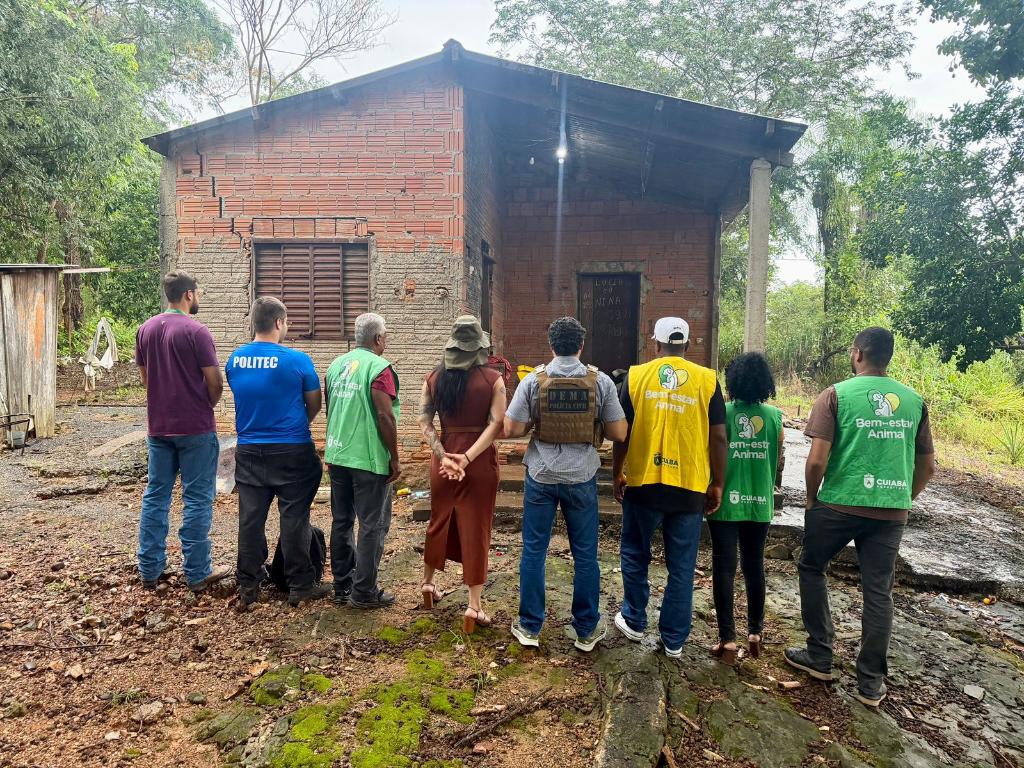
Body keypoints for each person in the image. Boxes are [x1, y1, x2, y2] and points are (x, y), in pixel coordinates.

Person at [785, 327, 935, 707]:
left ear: (857, 354)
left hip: (836, 505)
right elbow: (928, 467)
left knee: (812, 568)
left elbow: (817, 459)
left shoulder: (836, 395)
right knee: (878, 590)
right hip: (890, 513)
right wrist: (903, 498)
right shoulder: (914, 401)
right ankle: (870, 682)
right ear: (888, 357)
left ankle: (820, 655)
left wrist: (811, 499)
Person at [504, 317, 628, 652]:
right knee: (586, 554)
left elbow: (512, 429)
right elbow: (619, 433)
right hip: (581, 476)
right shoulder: (599, 381)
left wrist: (535, 419)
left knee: (534, 550)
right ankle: (586, 630)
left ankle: (530, 627)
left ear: (551, 344)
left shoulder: (535, 379)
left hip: (541, 475)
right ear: (581, 346)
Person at [612, 317, 727, 658]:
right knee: (681, 565)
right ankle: (674, 639)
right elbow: (719, 436)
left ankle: (633, 619)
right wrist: (718, 482)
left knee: (635, 552)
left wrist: (618, 472)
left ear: (655, 343)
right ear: (687, 345)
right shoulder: (708, 380)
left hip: (644, 482)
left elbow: (622, 431)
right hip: (689, 487)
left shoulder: (636, 376)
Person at [225, 297, 330, 610]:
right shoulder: (297, 361)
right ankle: (300, 585)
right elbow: (314, 403)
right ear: (279, 323)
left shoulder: (235, 360)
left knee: (251, 519)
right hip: (292, 450)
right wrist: (296, 426)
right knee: (294, 517)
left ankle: (248, 586)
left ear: (253, 322)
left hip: (249, 450)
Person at [135, 271, 230, 592]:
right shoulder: (196, 331)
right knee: (198, 498)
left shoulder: (145, 329)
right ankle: (197, 572)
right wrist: (207, 404)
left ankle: (149, 569)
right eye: (198, 293)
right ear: (189, 295)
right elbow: (215, 381)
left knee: (156, 495)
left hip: (159, 427)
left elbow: (145, 380)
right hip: (195, 428)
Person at [417, 316, 507, 632]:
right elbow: (498, 424)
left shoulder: (433, 378)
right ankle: (473, 606)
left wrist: (444, 456)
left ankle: (427, 586)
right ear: (479, 347)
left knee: (438, 520)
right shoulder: (493, 379)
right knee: (476, 527)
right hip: (478, 462)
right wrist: (467, 458)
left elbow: (425, 423)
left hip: (442, 459)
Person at [706, 352, 784, 664]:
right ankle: (755, 631)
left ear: (732, 382)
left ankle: (727, 639)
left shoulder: (720, 414)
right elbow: (777, 460)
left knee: (724, 568)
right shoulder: (775, 417)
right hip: (760, 502)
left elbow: (712, 452)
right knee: (754, 565)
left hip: (724, 502)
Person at [324, 313, 401, 609]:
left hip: (338, 453)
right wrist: (394, 458)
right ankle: (364, 592)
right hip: (367, 458)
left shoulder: (335, 365)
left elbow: (333, 409)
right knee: (373, 525)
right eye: (386, 336)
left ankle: (342, 586)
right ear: (378, 339)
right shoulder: (379, 368)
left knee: (342, 520)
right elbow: (385, 415)